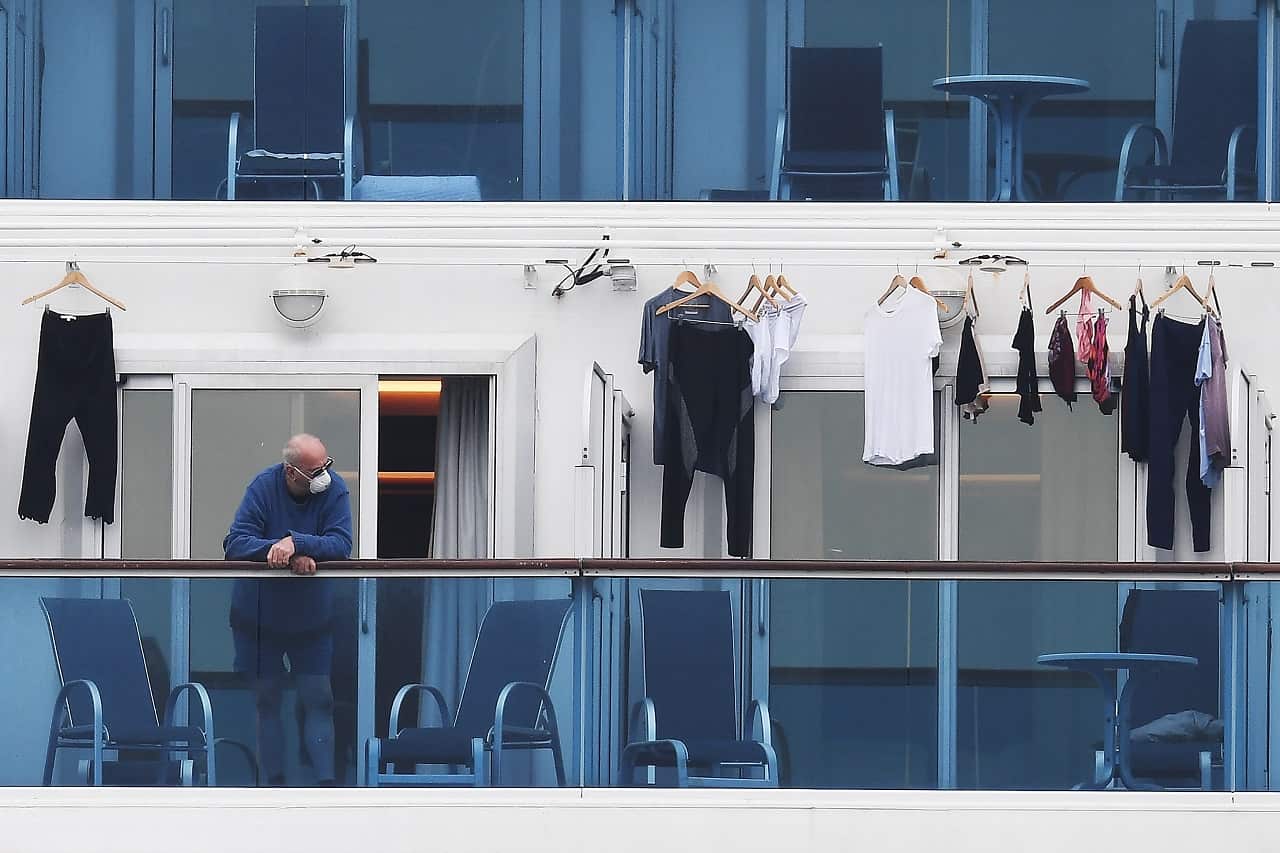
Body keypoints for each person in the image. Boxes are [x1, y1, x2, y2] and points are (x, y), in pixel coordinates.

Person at [223, 433, 353, 787]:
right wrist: (281, 552)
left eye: (327, 465)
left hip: (311, 619)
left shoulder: (334, 489)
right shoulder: (263, 487)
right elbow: (235, 543)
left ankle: (326, 783)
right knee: (267, 699)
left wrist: (297, 542)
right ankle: (274, 784)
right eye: (315, 470)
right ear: (291, 472)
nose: (324, 475)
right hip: (258, 618)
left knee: (319, 697)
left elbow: (341, 544)